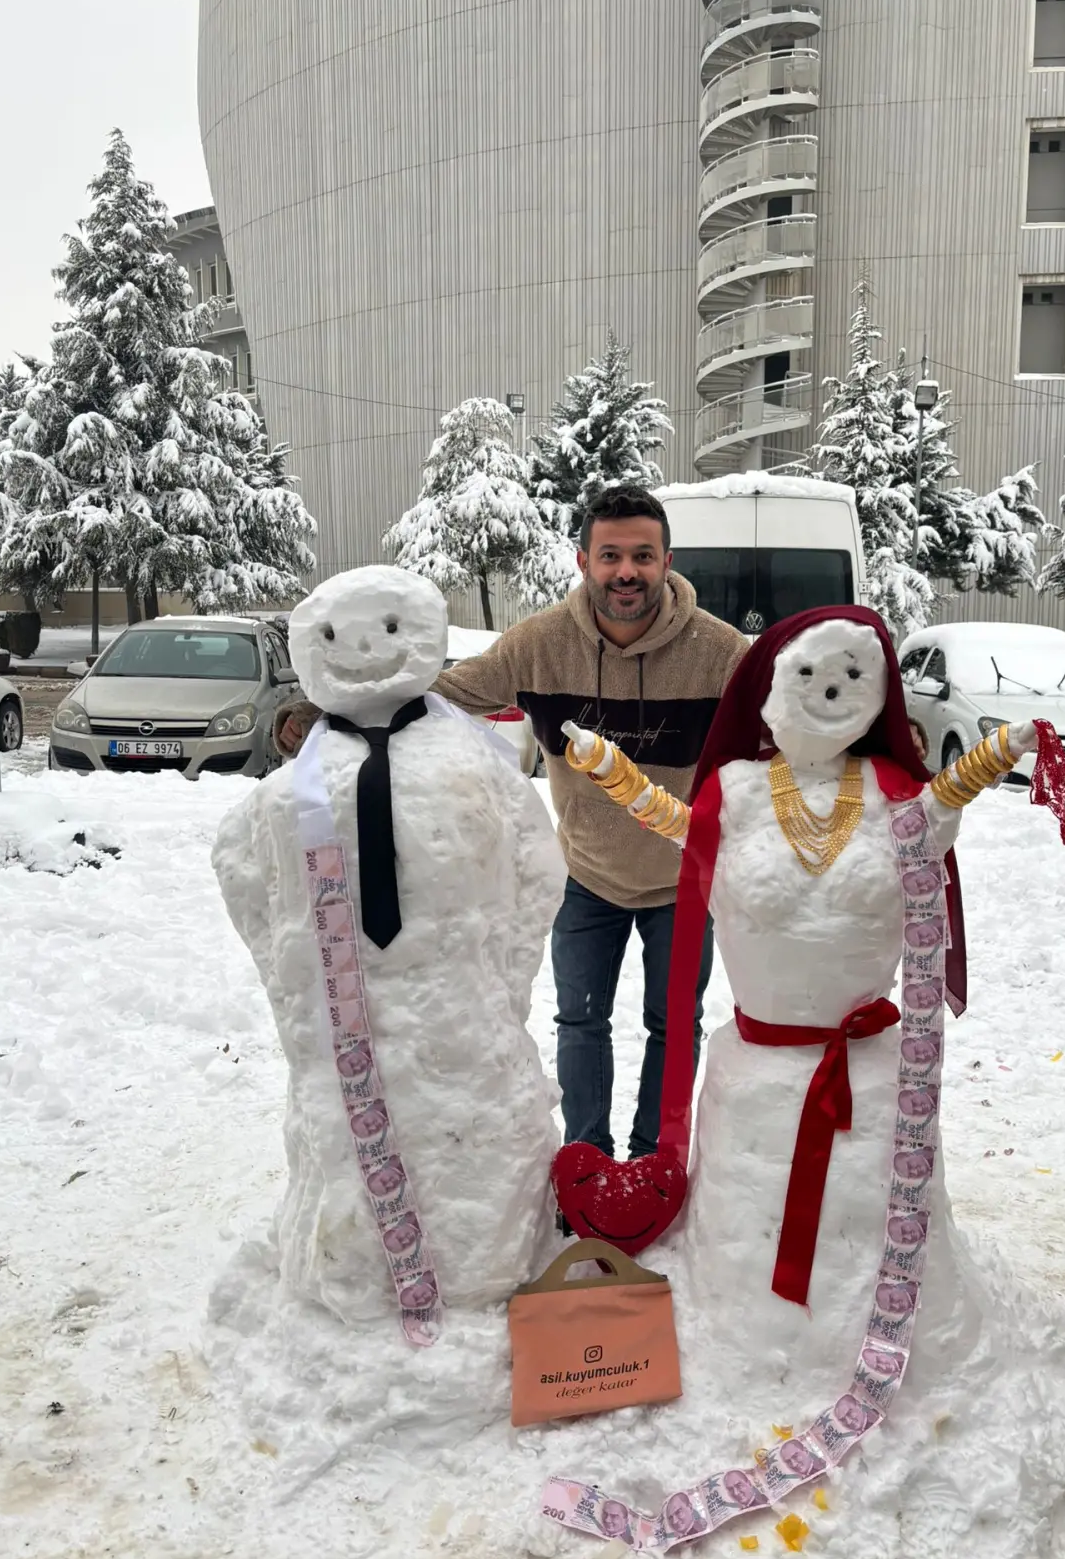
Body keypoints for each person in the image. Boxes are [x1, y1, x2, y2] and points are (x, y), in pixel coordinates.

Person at [274, 485, 747, 1163]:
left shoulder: (720, 653)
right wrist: (330, 710)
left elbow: (785, 720)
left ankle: (657, 1155)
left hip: (686, 881)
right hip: (587, 877)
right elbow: (439, 693)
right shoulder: (541, 644)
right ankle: (586, 1153)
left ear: (667, 560)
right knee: (580, 1019)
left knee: (674, 1024)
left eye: (643, 555)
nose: (626, 571)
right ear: (582, 560)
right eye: (610, 554)